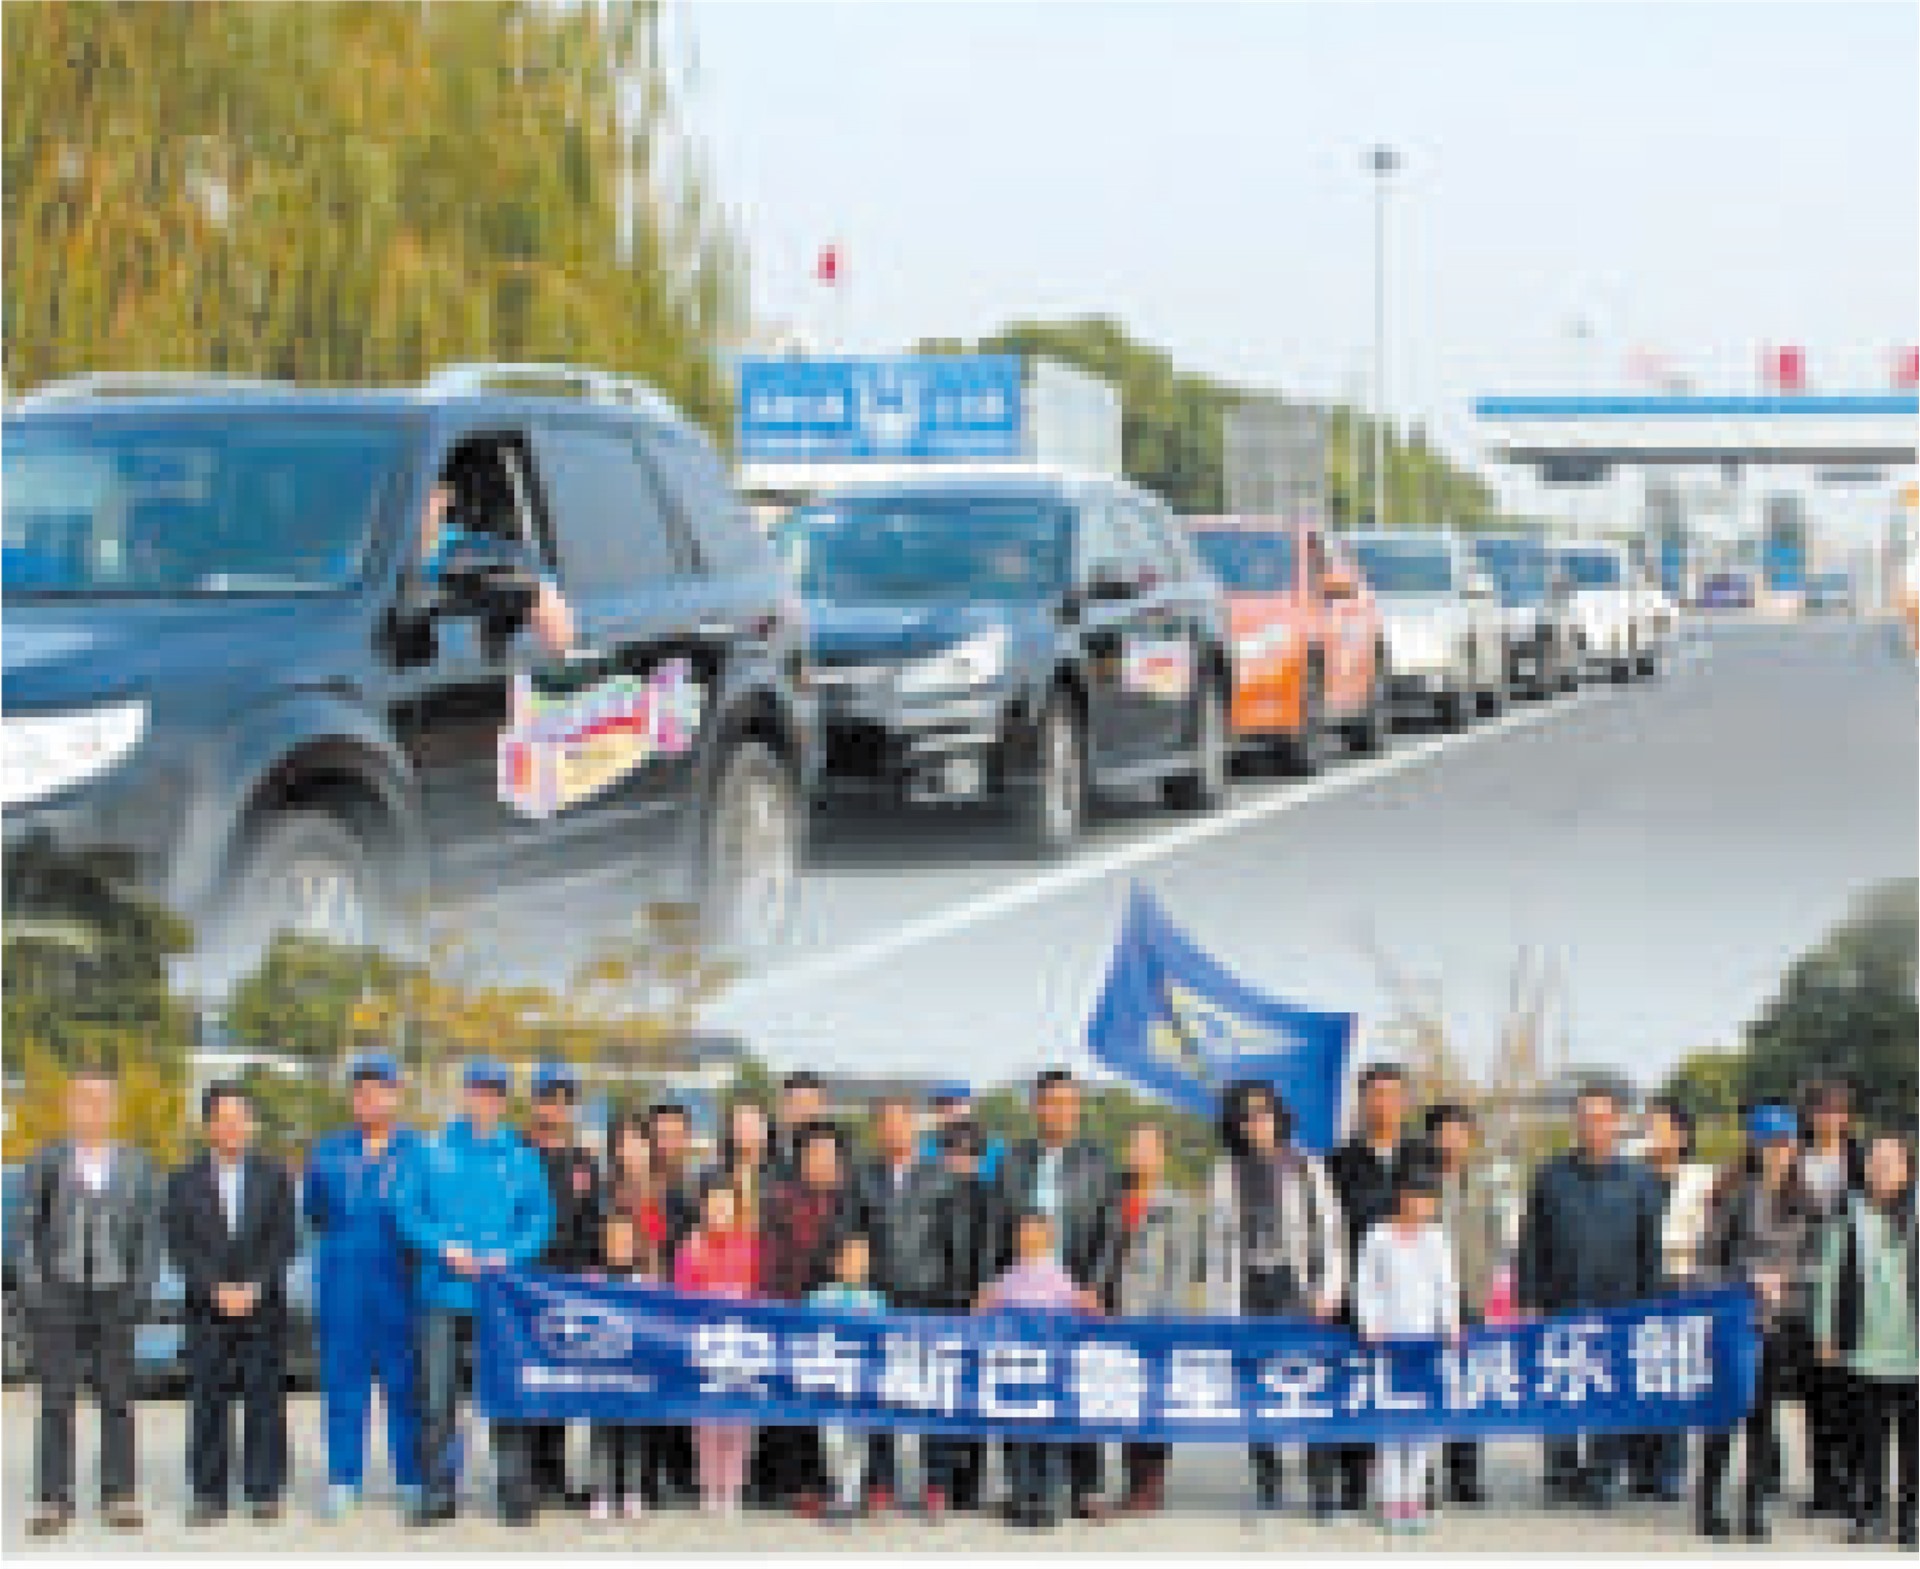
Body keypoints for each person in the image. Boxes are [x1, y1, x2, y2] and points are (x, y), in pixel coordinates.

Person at [392, 1058, 553, 1527]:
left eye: (494, 1093)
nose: (485, 1100)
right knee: (437, 1398)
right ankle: (439, 1493)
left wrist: (512, 1254)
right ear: (464, 1095)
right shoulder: (431, 1152)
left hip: (499, 1299)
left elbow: (539, 1218)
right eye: (478, 1091)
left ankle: (514, 1492)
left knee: (506, 1396)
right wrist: (442, 1247)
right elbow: (407, 1212)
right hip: (441, 1294)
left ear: (503, 1101)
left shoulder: (522, 1159)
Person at [19, 1067, 162, 1537]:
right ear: (70, 1105)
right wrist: (35, 1290)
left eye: (102, 1100)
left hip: (115, 1293)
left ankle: (118, 1495)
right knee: (56, 1399)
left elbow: (149, 1234)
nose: (93, 1108)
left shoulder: (138, 1165)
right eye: (84, 1099)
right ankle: (53, 1500)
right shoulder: (46, 1161)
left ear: (114, 1108)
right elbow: (27, 1230)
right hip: (58, 1294)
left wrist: (139, 1291)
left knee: (117, 1398)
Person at [1514, 1081, 1663, 1510]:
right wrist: (1529, 1299)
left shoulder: (1640, 1180)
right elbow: (1531, 1242)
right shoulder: (1550, 1177)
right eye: (1584, 1118)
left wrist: (1650, 1306)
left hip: (1619, 1305)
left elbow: (1650, 1249)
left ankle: (1601, 1476)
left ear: (1617, 1123)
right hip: (1560, 1300)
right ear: (1575, 1123)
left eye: (1601, 1118)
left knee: (1608, 1392)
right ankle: (1561, 1474)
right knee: (1559, 1389)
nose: (1592, 1126)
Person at [1203, 1080, 1345, 1518]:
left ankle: (1322, 1487)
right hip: (1249, 1288)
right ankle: (1268, 1484)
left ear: (1279, 1118)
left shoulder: (1307, 1168)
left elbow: (1330, 1234)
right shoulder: (1225, 1173)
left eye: (1263, 1114)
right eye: (1247, 1117)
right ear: (1237, 1125)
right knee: (1255, 1389)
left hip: (1297, 1285)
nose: (1256, 1124)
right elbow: (1216, 1247)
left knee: (1312, 1386)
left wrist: (1328, 1291)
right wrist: (1220, 1308)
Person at [165, 1082, 298, 1525]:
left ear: (252, 1124)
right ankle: (208, 1494)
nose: (234, 1127)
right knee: (207, 1399)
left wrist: (255, 1286)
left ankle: (264, 1491)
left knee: (264, 1397)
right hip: (207, 1308)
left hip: (263, 1305)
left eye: (241, 1118)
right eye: (224, 1119)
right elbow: (179, 1245)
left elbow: (285, 1239)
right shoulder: (183, 1181)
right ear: (209, 1126)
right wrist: (214, 1288)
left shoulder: (275, 1177)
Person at [997, 1067, 1122, 1520]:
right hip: (1022, 1297)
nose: (1060, 1111)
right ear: (1036, 1107)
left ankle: (1086, 1488)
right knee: (1019, 1388)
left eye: (1069, 1103)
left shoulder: (1098, 1160)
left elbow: (1110, 1229)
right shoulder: (1014, 1160)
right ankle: (1021, 1487)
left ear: (1078, 1108)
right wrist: (992, 1284)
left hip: (1073, 1296)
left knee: (1079, 1390)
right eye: (1051, 1102)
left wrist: (1094, 1286)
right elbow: (996, 1227)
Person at [303, 1053, 423, 1522]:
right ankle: (343, 1478)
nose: (369, 1098)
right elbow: (314, 1211)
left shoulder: (419, 1151)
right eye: (361, 1090)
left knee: (405, 1380)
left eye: (379, 1089)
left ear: (395, 1095)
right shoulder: (328, 1151)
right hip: (344, 1283)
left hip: (401, 1281)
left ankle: (410, 1477)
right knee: (343, 1380)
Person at [1697, 1102, 1817, 1542]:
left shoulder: (1806, 1200)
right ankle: (1709, 1505)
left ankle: (1754, 1508)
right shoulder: (1733, 1195)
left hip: (1780, 1323)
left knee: (1763, 1419)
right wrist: (1748, 1278)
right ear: (1754, 1145)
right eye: (1769, 1143)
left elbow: (1817, 1262)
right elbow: (1707, 1261)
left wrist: (1788, 1279)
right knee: (1724, 1413)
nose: (1778, 1152)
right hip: (1735, 1321)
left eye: (1785, 1143)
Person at [1814, 1131, 1917, 1546]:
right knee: (1866, 1440)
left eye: (1890, 1162)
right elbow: (1828, 1276)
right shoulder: (1848, 1214)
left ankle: (1909, 1518)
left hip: (1912, 1349)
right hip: (1864, 1347)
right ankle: (1869, 1514)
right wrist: (1826, 1333)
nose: (1880, 1168)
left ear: (1907, 1169)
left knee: (1912, 1443)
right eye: (1874, 1161)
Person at [901, 1118, 1004, 1517]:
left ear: (980, 1157)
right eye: (954, 1151)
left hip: (978, 1306)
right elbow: (918, 1248)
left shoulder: (992, 1197)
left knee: (973, 1396)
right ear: (942, 1155)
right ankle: (936, 1483)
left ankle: (970, 1484)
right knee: (937, 1394)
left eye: (970, 1152)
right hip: (936, 1304)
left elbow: (994, 1249)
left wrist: (985, 1292)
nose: (961, 1159)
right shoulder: (929, 1195)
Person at [977, 1209, 1103, 1529]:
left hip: (1050, 1373)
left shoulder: (1060, 1278)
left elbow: (1087, 1316)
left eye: (1034, 1231)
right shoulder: (1006, 1279)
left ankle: (1049, 1500)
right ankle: (1022, 1497)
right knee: (1018, 1437)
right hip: (1015, 1371)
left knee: (1049, 1437)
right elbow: (981, 1318)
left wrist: (1091, 1309)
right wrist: (981, 1306)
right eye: (1023, 1232)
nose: (1027, 1238)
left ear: (1048, 1237)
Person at [1327, 1063, 1416, 1514]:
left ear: (1405, 1102)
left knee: (1410, 1389)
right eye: (1375, 1095)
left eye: (1392, 1095)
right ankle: (1354, 1482)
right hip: (1358, 1294)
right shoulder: (1338, 1163)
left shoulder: (1421, 1158)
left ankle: (1410, 1485)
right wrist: (1334, 1289)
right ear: (1362, 1102)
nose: (1383, 1104)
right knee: (1355, 1388)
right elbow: (1329, 1232)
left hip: (1412, 1296)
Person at [1354, 1164, 1460, 1536]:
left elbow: (1446, 1287)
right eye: (1418, 1197)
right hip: (1387, 1342)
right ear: (1403, 1197)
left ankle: (1413, 1499)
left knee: (1421, 1423)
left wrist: (1450, 1324)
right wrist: (1369, 1323)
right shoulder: (1377, 1236)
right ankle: (1390, 1499)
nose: (1424, 1205)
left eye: (1430, 1199)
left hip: (1425, 1341)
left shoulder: (1437, 1239)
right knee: (1389, 1422)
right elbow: (1365, 1284)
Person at [761, 1120, 856, 1509]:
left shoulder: (850, 1201)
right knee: (790, 1400)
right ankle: (790, 1485)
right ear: (801, 1160)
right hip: (790, 1310)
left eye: (828, 1154)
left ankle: (833, 1482)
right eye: (814, 1153)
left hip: (838, 1316)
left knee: (831, 1402)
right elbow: (770, 1255)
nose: (821, 1161)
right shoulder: (782, 1199)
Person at [523, 1061, 603, 1513]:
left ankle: (556, 1474)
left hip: (568, 1286)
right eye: (547, 1098)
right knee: (527, 1380)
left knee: (562, 1384)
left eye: (563, 1100)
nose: (555, 1108)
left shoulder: (584, 1163)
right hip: (522, 1286)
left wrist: (591, 1270)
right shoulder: (516, 1153)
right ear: (534, 1102)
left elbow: (592, 1223)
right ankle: (525, 1477)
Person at [1627, 1096, 1715, 1504]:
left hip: (1684, 1284)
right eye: (1649, 1126)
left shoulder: (1703, 1179)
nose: (1654, 1133)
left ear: (1682, 1135)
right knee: (1639, 1376)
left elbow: (1708, 1233)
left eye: (1662, 1127)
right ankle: (1639, 1469)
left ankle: (1670, 1470)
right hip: (1637, 1285)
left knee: (1676, 1378)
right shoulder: (1630, 1174)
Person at [1421, 1102, 1505, 1507]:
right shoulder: (1417, 1184)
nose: (1452, 1140)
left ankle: (1465, 1476)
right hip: (1425, 1302)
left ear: (1470, 1138)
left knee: (1468, 1389)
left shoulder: (1482, 1186)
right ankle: (1422, 1476)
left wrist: (1487, 1289)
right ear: (1431, 1137)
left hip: (1470, 1300)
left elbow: (1494, 1239)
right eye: (1444, 1132)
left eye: (1460, 1132)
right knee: (1423, 1388)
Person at [850, 1094, 930, 1509]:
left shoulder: (940, 1176)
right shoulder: (863, 1178)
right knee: (878, 1391)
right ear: (877, 1130)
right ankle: (880, 1482)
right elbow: (853, 1235)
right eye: (886, 1123)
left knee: (931, 1392)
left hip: (927, 1298)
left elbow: (955, 1237)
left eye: (901, 1121)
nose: (894, 1130)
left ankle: (934, 1485)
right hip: (877, 1300)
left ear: (914, 1126)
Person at [1114, 1123, 1199, 1515]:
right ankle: (1132, 1483)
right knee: (1124, 1400)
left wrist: (1170, 1321)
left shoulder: (1176, 1206)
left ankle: (1151, 1485)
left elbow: (1181, 1268)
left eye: (1148, 1147)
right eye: (1135, 1146)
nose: (1140, 1154)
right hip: (1118, 1315)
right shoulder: (1115, 1199)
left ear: (1162, 1156)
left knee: (1155, 1401)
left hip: (1158, 1318)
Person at [590, 1108, 669, 1523]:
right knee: (604, 1410)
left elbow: (664, 1247)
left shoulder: (661, 1191)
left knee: (640, 1408)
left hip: (649, 1307)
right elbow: (596, 1243)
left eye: (637, 1140)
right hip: (607, 1309)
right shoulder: (605, 1191)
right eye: (622, 1142)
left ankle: (637, 1487)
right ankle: (602, 1489)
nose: (631, 1149)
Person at [1800, 1078, 1868, 1520]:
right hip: (1807, 1283)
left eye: (1837, 1110)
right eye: (1821, 1109)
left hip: (1853, 1284)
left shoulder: (1861, 1160)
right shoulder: (1795, 1159)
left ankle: (1854, 1481)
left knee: (1853, 1388)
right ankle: (1823, 1485)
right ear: (1810, 1116)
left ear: (1847, 1116)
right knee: (1817, 1391)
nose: (1829, 1117)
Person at [673, 1174, 762, 1515]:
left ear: (736, 1208)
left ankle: (733, 1487)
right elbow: (681, 1297)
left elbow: (759, 1293)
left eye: (726, 1203)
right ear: (703, 1207)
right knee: (706, 1421)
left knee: (738, 1420)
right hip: (704, 1343)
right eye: (714, 1203)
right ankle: (709, 1486)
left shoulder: (750, 1246)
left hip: (741, 1343)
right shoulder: (690, 1248)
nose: (720, 1209)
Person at [417, 478, 574, 655]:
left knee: (541, 596)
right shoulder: (408, 545)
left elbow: (511, 557)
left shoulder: (464, 538)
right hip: (457, 594)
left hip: (486, 593)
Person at [808, 1232, 895, 1524]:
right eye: (850, 1258)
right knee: (832, 1438)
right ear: (837, 1263)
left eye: (861, 1259)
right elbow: (807, 1333)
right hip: (830, 1378)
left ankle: (851, 1496)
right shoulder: (820, 1298)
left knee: (857, 1439)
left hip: (861, 1379)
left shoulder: (876, 1300)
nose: (855, 1264)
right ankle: (837, 1491)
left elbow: (882, 1338)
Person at [647, 1099, 705, 1505]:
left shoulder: (699, 1186)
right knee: (652, 1387)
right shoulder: (644, 1187)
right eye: (660, 1134)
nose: (667, 1141)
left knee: (688, 1387)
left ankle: (686, 1472)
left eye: (675, 1134)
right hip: (651, 1302)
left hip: (691, 1301)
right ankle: (650, 1475)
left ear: (687, 1137)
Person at [917, 1084, 1006, 1181]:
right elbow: (927, 1168)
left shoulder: (986, 1136)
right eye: (945, 1105)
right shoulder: (932, 1140)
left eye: (957, 1104)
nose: (951, 1110)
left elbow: (994, 1166)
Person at [769, 1071, 828, 1186]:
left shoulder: (830, 1147)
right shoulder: (766, 1141)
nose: (804, 1112)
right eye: (797, 1103)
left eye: (809, 1105)